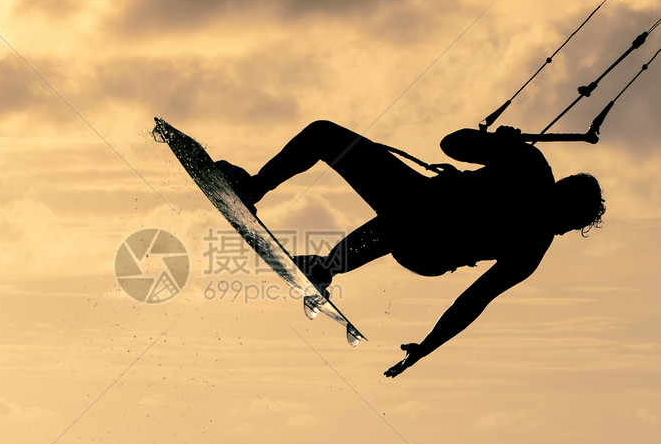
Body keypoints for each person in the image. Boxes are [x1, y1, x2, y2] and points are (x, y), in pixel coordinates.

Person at [217, 121, 605, 377]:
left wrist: (426, 347)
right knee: (397, 205)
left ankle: (269, 206)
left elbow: (473, 301)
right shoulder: (530, 184)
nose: (560, 226)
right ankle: (324, 266)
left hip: (424, 234)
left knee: (406, 209)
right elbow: (452, 144)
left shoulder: (532, 218)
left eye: (566, 225)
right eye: (566, 220)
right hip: (421, 241)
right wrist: (497, 145)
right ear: (562, 199)